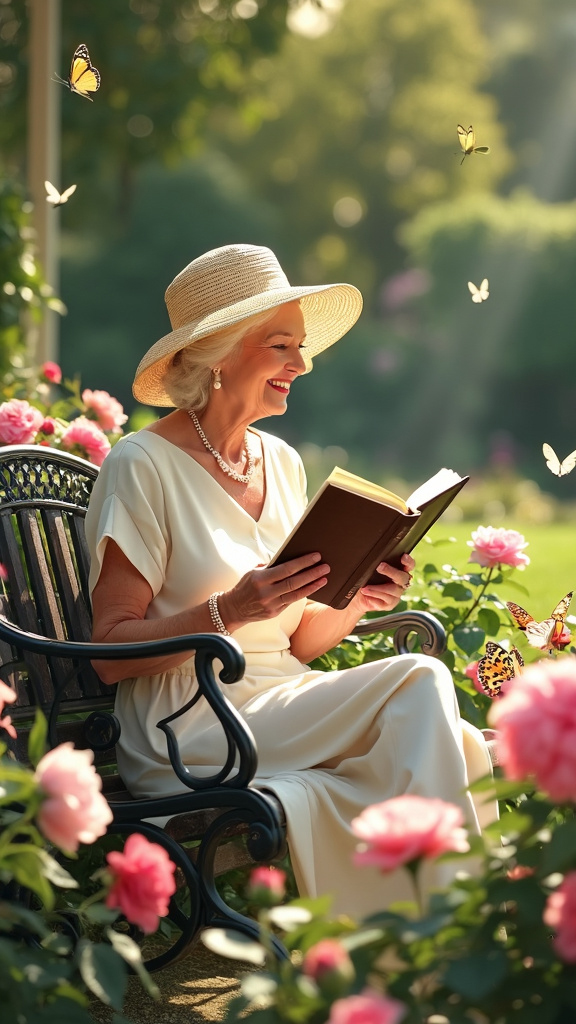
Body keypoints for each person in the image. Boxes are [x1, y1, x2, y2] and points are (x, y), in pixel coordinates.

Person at [85, 243, 495, 918]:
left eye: (301, 347)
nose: (301, 365)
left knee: (460, 738)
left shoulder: (279, 461)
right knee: (420, 678)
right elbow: (109, 651)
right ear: (219, 353)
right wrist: (230, 609)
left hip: (278, 703)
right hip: (188, 725)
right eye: (282, 346)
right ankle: (448, 937)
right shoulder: (141, 466)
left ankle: (407, 938)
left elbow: (294, 646)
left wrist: (359, 597)